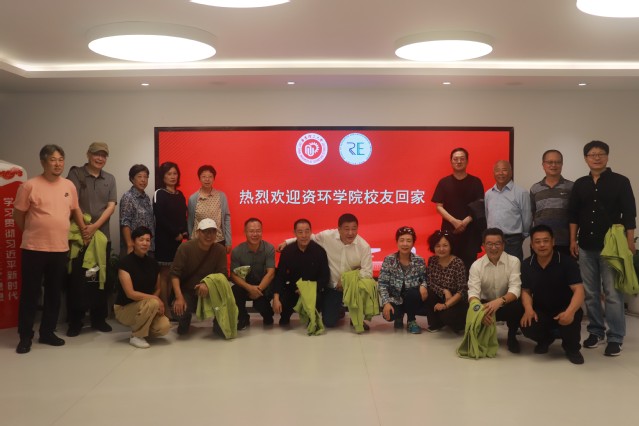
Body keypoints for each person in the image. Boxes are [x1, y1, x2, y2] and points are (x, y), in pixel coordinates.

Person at [13, 145, 84, 354]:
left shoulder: (69, 185)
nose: (58, 164)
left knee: (54, 293)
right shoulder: (29, 186)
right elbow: (18, 215)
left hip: (59, 248)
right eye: (53, 160)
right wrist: (32, 231)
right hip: (34, 248)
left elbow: (75, 209)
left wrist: (84, 229)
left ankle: (47, 332)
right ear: (43, 162)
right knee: (30, 293)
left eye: (61, 159)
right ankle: (25, 336)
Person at [568, 140, 636, 357]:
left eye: (601, 154)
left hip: (611, 247)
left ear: (607, 156)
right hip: (586, 246)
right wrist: (572, 240)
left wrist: (630, 242)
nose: (596, 157)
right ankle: (596, 331)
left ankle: (615, 337)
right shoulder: (580, 184)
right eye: (592, 154)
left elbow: (630, 214)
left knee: (613, 293)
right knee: (590, 293)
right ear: (585, 158)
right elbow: (573, 215)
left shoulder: (621, 181)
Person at [277, 213, 373, 329]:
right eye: (346, 229)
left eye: (354, 229)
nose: (350, 233)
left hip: (352, 286)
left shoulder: (363, 246)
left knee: (367, 284)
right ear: (339, 229)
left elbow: (368, 272)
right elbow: (308, 237)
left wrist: (347, 279)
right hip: (333, 287)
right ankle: (339, 309)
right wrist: (287, 242)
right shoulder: (327, 236)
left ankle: (357, 318)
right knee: (329, 322)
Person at [66, 142, 117, 336]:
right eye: (97, 154)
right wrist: (84, 229)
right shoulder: (76, 174)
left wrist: (95, 227)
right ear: (88, 154)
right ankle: (75, 321)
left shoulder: (110, 178)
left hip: (101, 237)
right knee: (77, 279)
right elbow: (73, 204)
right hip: (80, 238)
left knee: (97, 278)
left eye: (104, 155)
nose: (100, 158)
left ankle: (98, 319)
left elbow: (111, 206)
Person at [519, 225, 585, 364]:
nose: (542, 245)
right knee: (527, 324)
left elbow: (579, 290)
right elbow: (525, 291)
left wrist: (570, 312)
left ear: (553, 242)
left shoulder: (567, 262)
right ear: (532, 245)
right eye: (537, 241)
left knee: (571, 320)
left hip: (565, 308)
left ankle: (572, 348)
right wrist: (528, 309)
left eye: (546, 240)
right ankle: (545, 339)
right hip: (542, 310)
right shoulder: (526, 264)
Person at [467, 228, 523, 353]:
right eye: (489, 244)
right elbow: (473, 293)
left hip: (505, 303)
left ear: (503, 245)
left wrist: (500, 301)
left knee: (518, 306)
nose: (493, 248)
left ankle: (512, 337)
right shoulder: (476, 265)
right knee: (471, 305)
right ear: (483, 246)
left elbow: (515, 288)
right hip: (485, 306)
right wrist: (479, 312)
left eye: (497, 244)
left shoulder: (514, 261)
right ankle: (483, 331)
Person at [115, 226, 170, 349]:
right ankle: (136, 336)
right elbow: (130, 293)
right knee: (152, 303)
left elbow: (158, 288)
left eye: (148, 240)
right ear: (133, 242)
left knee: (164, 327)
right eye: (141, 240)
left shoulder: (153, 263)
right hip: (125, 308)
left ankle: (141, 329)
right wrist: (155, 300)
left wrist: (154, 302)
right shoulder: (125, 263)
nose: (145, 243)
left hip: (146, 305)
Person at [170, 218, 228, 335]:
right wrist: (179, 297)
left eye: (212, 232)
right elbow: (174, 274)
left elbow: (223, 275)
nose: (209, 235)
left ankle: (219, 324)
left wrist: (208, 284)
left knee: (227, 296)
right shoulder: (185, 248)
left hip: (210, 291)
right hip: (188, 291)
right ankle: (184, 321)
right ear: (198, 233)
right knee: (179, 310)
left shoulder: (220, 250)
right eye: (205, 231)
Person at [432, 147, 485, 271]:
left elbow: (480, 206)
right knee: (448, 267)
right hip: (450, 232)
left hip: (470, 232)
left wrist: (464, 222)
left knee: (469, 268)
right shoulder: (444, 182)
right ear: (451, 161)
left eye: (462, 159)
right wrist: (454, 221)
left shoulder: (476, 182)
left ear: (467, 161)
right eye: (455, 159)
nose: (459, 161)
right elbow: (439, 207)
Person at [272, 219, 330, 326]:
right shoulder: (287, 252)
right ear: (294, 233)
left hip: (312, 290)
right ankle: (285, 316)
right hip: (293, 289)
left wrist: (308, 289)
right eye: (300, 232)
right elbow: (280, 276)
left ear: (311, 232)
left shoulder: (320, 251)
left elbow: (325, 277)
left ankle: (312, 318)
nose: (304, 235)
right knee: (284, 305)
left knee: (318, 299)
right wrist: (275, 298)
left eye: (307, 231)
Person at [378, 226, 428, 334]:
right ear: (397, 242)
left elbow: (425, 279)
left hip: (412, 298)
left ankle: (411, 320)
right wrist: (386, 302)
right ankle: (398, 316)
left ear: (413, 243)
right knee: (389, 315)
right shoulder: (389, 260)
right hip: (395, 298)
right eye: (402, 240)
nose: (405, 244)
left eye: (408, 241)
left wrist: (423, 285)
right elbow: (382, 284)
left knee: (413, 293)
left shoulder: (419, 260)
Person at [153, 161, 188, 315]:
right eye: (169, 174)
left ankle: (172, 306)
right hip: (165, 240)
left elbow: (183, 216)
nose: (173, 177)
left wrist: (184, 232)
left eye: (175, 173)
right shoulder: (159, 193)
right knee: (165, 274)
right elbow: (160, 217)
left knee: (175, 273)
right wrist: (175, 233)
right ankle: (164, 308)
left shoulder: (180, 195)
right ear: (163, 176)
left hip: (179, 241)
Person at [230, 218, 275, 328]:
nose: (255, 234)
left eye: (258, 231)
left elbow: (271, 273)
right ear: (245, 232)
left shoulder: (269, 248)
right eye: (251, 231)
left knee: (264, 311)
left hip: (263, 287)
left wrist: (258, 290)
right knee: (235, 290)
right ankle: (243, 317)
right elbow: (234, 276)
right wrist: (250, 288)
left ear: (262, 231)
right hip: (245, 286)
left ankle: (268, 315)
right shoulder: (237, 251)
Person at [485, 160, 532, 260]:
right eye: (497, 170)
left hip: (512, 241)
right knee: (493, 268)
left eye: (504, 170)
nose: (501, 173)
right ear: (494, 173)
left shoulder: (521, 192)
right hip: (492, 241)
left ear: (511, 172)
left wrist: (523, 235)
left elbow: (527, 217)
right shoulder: (488, 194)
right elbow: (487, 215)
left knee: (513, 268)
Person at [530, 149, 574, 256]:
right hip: (541, 242)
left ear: (562, 164)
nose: (553, 165)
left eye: (557, 162)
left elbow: (575, 215)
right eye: (550, 162)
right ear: (543, 165)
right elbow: (532, 215)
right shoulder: (535, 188)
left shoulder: (571, 187)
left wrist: (573, 240)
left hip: (564, 242)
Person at [423, 230, 468, 333]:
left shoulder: (458, 263)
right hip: (441, 294)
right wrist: (444, 291)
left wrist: (446, 305)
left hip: (456, 299)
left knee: (448, 317)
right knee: (428, 292)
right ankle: (436, 323)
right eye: (438, 246)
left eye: (445, 245)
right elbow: (430, 282)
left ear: (451, 246)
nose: (441, 249)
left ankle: (454, 322)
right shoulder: (432, 260)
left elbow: (462, 290)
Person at [187, 164, 231, 253]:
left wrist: (228, 241)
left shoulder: (221, 196)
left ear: (214, 178)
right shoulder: (193, 198)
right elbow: (190, 220)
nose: (207, 179)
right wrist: (190, 240)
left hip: (218, 239)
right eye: (204, 176)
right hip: (198, 241)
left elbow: (226, 219)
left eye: (210, 176)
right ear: (199, 178)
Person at [119, 164, 154, 255]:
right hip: (134, 248)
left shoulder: (146, 198)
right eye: (139, 176)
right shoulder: (128, 197)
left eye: (145, 177)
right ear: (132, 179)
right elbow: (125, 222)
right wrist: (130, 245)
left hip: (147, 247)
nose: (143, 180)